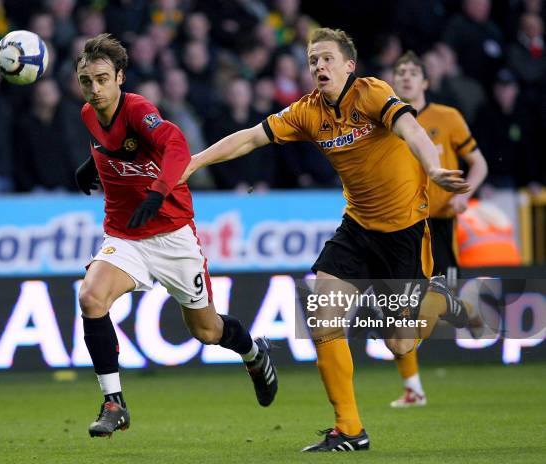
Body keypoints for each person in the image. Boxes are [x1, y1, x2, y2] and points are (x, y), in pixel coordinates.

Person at [181, 28, 473, 452]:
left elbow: (411, 129)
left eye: (327, 59)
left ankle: (439, 298)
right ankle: (350, 430)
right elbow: (250, 137)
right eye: (312, 59)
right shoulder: (307, 112)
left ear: (349, 65)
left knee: (399, 343)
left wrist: (431, 167)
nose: (318, 66)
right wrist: (196, 161)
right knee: (322, 311)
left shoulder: (372, 93)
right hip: (357, 228)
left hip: (403, 232)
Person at [73, 33, 277, 438]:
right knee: (90, 297)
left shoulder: (139, 109)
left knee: (206, 332)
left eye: (101, 80)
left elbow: (177, 146)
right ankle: (114, 403)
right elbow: (116, 146)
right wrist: (91, 163)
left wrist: (158, 192)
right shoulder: (88, 115)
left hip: (173, 234)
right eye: (86, 82)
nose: (94, 90)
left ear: (120, 78)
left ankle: (254, 353)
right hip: (125, 235)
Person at [389, 51, 488, 408]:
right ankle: (413, 388)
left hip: (440, 221)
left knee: (438, 301)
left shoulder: (447, 118)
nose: (406, 78)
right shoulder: (385, 119)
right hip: (402, 224)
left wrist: (467, 196)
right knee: (399, 306)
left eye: (413, 72)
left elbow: (478, 163)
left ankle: (465, 308)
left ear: (426, 82)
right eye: (400, 73)